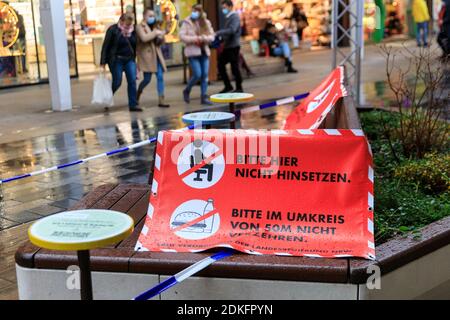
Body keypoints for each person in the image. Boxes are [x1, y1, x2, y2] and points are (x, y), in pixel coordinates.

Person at [100, 13, 141, 112]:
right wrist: (102, 62)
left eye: (130, 24)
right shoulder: (113, 30)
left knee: (132, 80)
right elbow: (106, 46)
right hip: (116, 59)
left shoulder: (133, 30)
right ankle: (107, 99)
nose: (128, 26)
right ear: (121, 21)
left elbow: (136, 46)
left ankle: (133, 104)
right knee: (117, 81)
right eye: (127, 24)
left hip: (129, 59)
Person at [180, 4, 215, 105]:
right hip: (192, 52)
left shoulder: (205, 22)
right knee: (197, 74)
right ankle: (187, 90)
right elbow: (182, 36)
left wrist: (203, 38)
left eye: (197, 11)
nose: (194, 13)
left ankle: (203, 96)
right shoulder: (186, 22)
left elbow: (212, 36)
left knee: (204, 75)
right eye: (193, 10)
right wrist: (195, 39)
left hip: (204, 51)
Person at [136, 8, 169, 108]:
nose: (152, 18)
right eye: (150, 16)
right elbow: (144, 38)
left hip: (157, 55)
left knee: (160, 77)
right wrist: (156, 33)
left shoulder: (156, 26)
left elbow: (160, 41)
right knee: (147, 79)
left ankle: (161, 100)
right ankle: (138, 92)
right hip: (147, 57)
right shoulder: (139, 27)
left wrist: (162, 35)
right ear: (144, 16)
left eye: (153, 16)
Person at [215, 0, 244, 93]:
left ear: (230, 7)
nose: (223, 10)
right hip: (228, 46)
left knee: (233, 66)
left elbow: (232, 30)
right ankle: (229, 86)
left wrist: (219, 33)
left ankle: (238, 87)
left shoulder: (234, 16)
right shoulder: (229, 17)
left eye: (224, 7)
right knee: (221, 64)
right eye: (222, 8)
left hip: (233, 46)